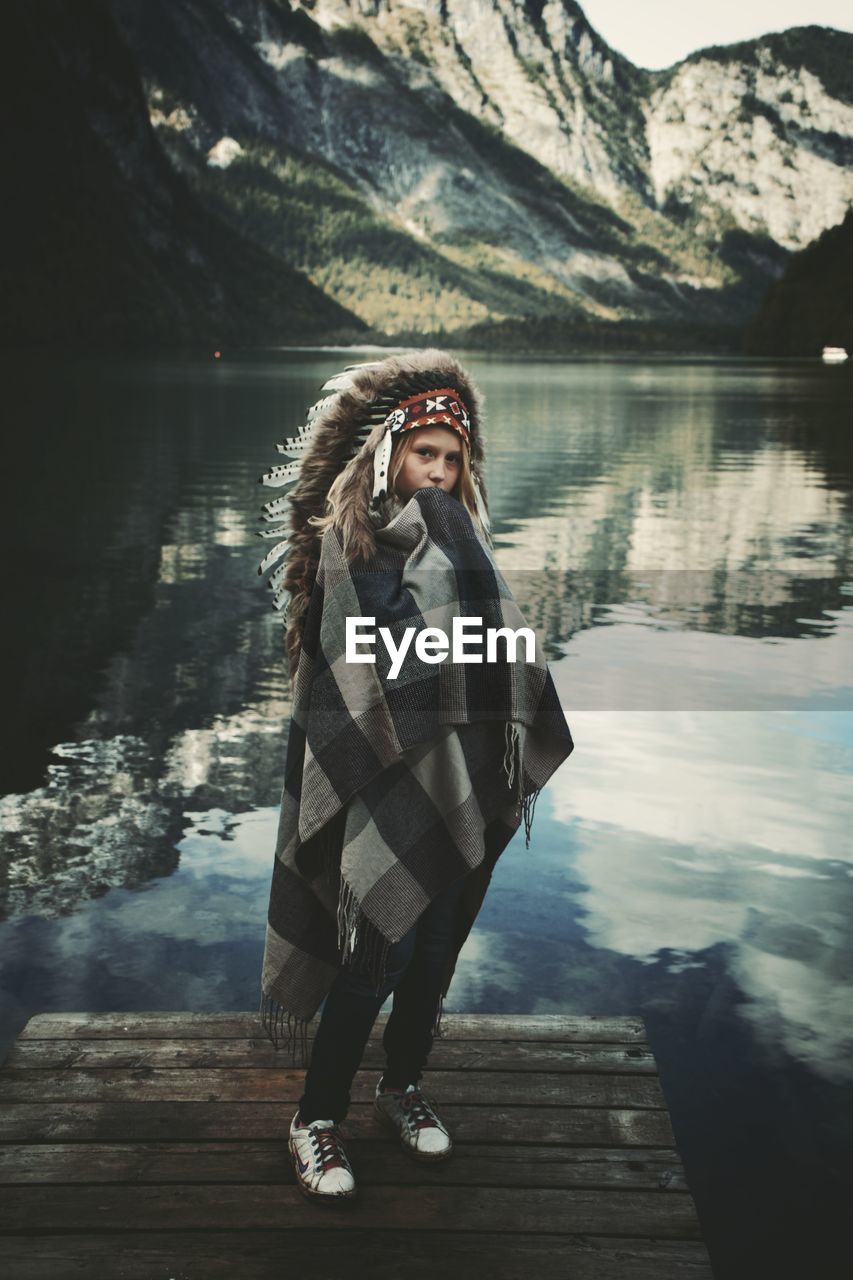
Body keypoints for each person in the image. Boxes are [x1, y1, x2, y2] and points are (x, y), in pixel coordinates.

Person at [255, 350, 573, 1203]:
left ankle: (399, 1087)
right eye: (423, 453)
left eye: (451, 459)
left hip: (463, 775)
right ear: (391, 452)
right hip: (381, 783)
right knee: (374, 953)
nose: (436, 471)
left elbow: (504, 654)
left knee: (435, 952)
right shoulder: (348, 545)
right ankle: (315, 1119)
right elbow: (347, 675)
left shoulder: (465, 543)